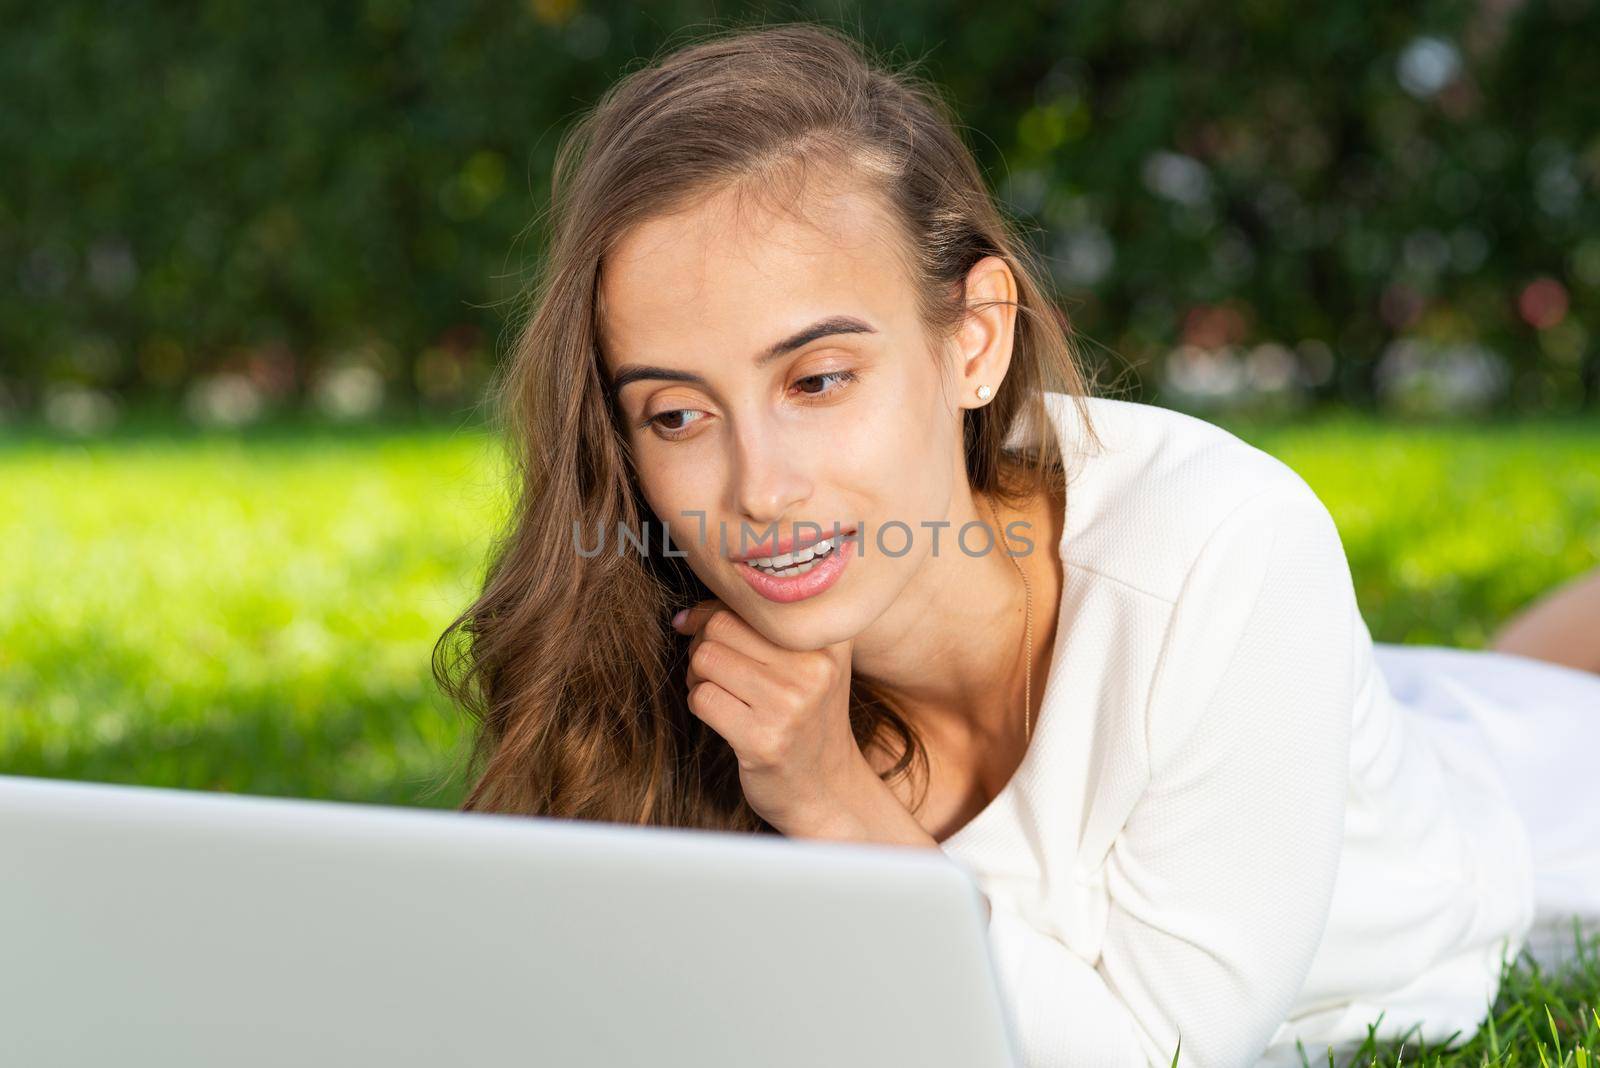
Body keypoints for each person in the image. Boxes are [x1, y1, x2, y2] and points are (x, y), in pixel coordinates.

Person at [432, 21, 1600, 1068]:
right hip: (1329, 700)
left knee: (1523, 717)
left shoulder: (1225, 547)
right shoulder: (669, 636)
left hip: (1524, 828)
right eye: (676, 414)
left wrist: (836, 801)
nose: (759, 490)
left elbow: (1158, 1050)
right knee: (1468, 684)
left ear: (976, 339)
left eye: (820, 378)